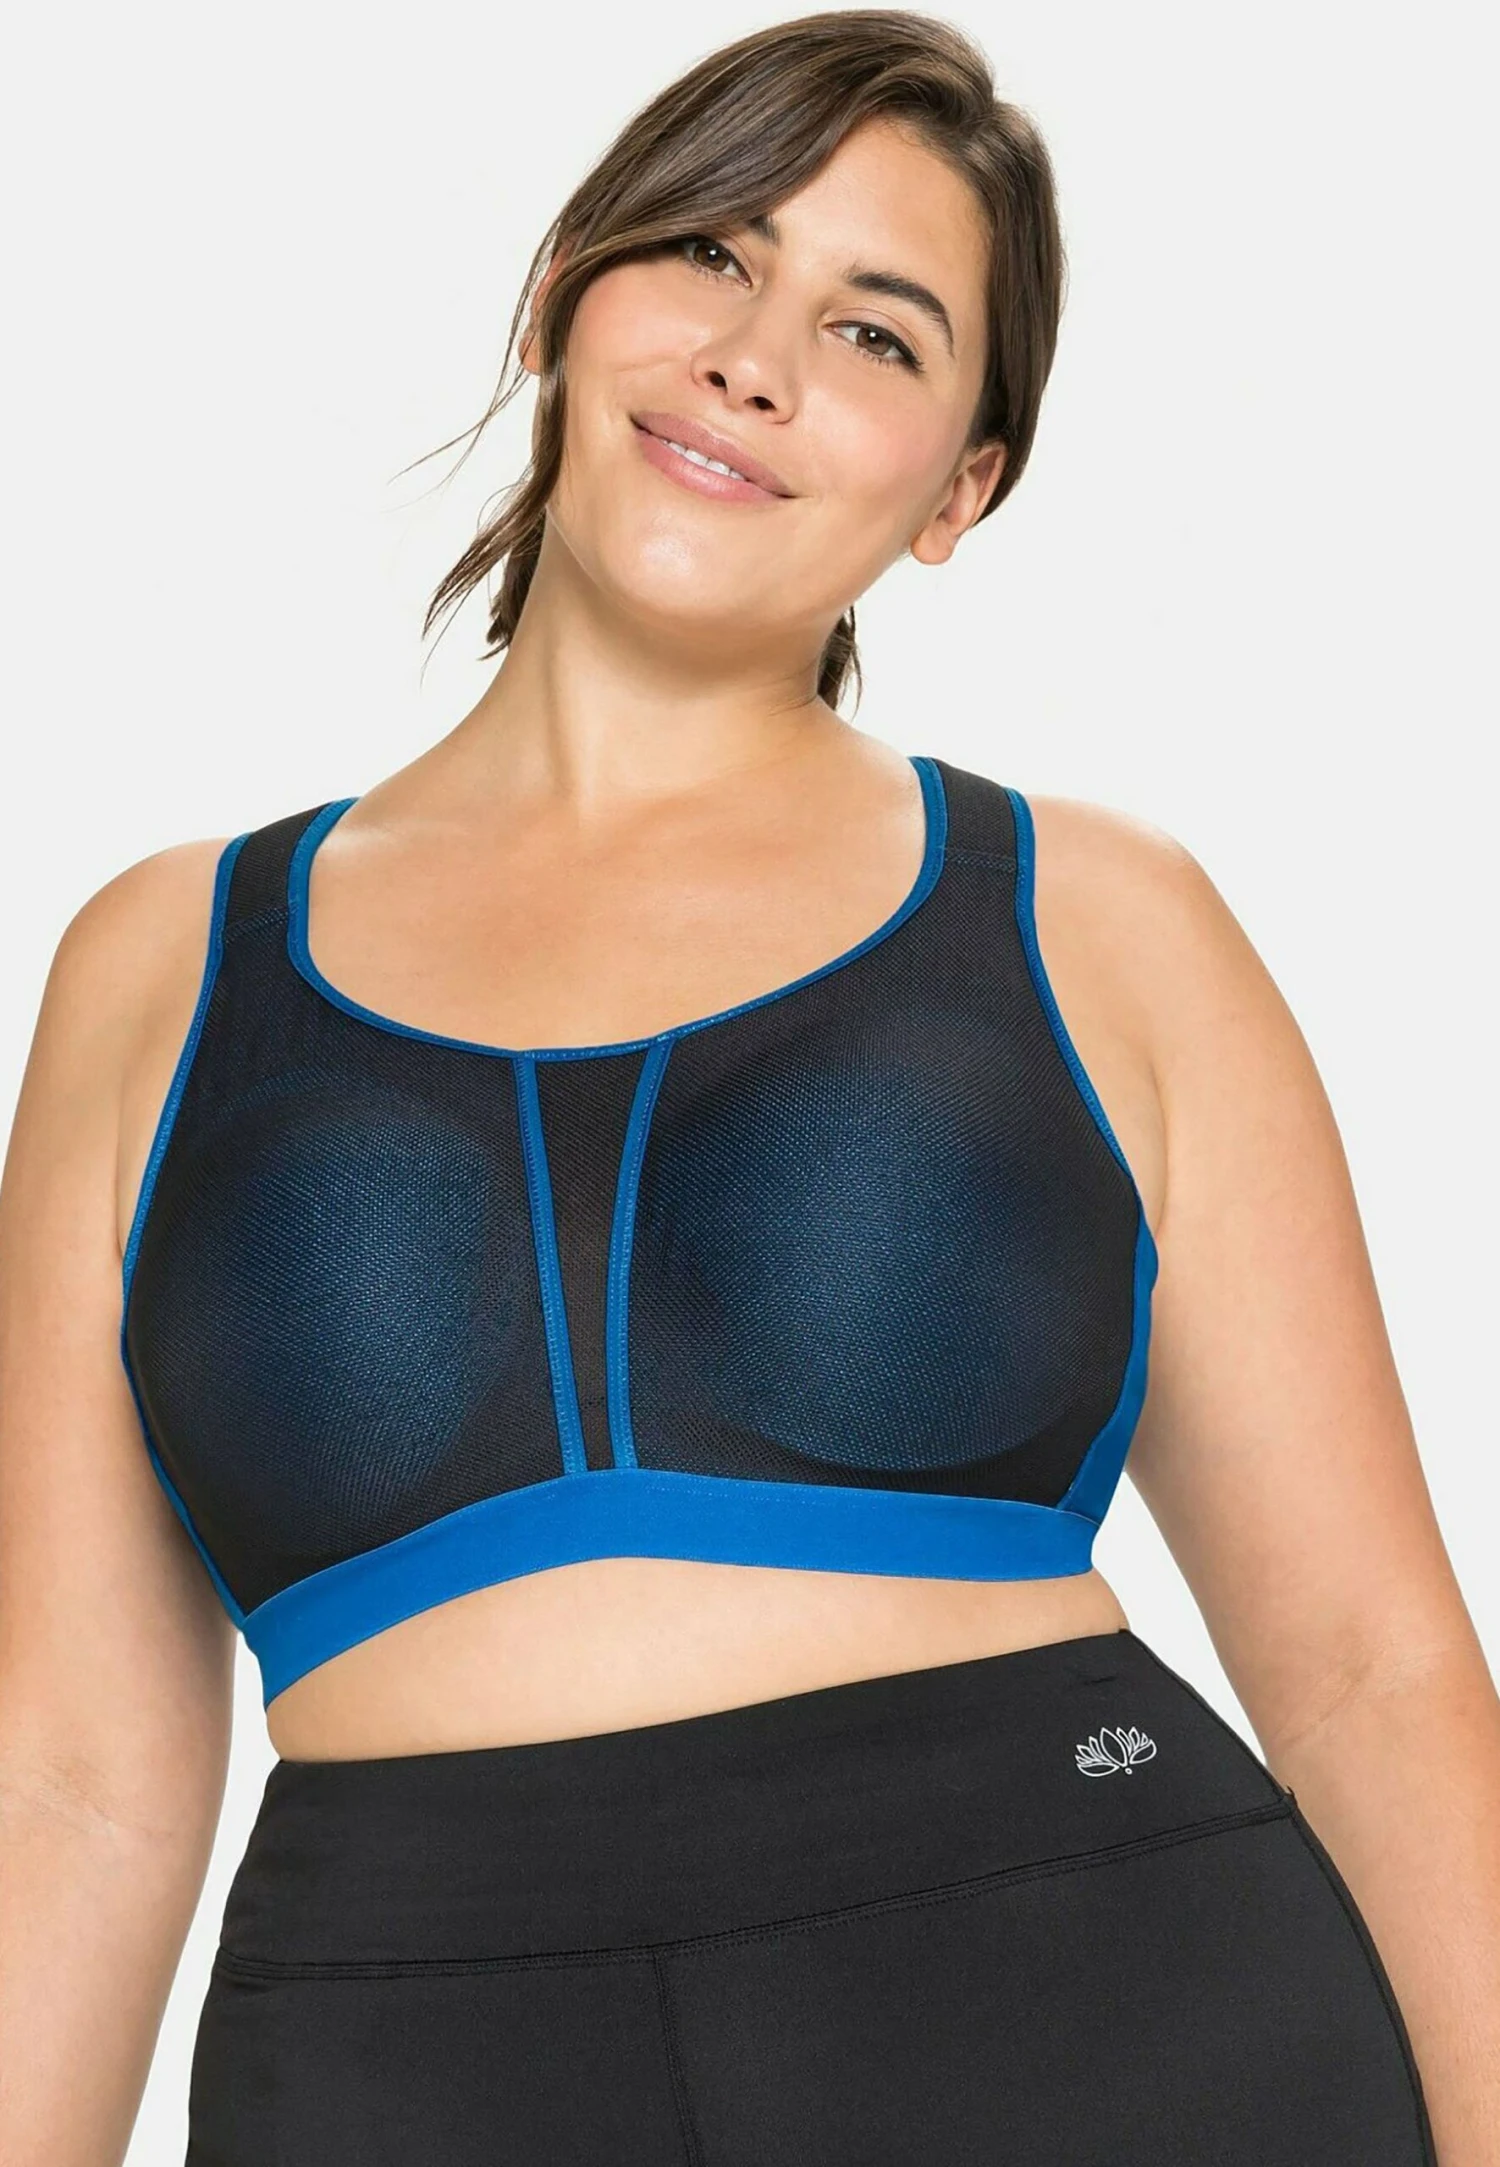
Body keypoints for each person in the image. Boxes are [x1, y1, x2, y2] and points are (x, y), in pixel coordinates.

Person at [1, 11, 1494, 2162]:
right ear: (561, 297)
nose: (755, 360)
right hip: (409, 2069)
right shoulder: (161, 966)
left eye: (877, 333)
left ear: (963, 485)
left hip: (1099, 2012)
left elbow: (1366, 1667)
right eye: (709, 251)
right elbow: (70, 1783)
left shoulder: (1097, 919)